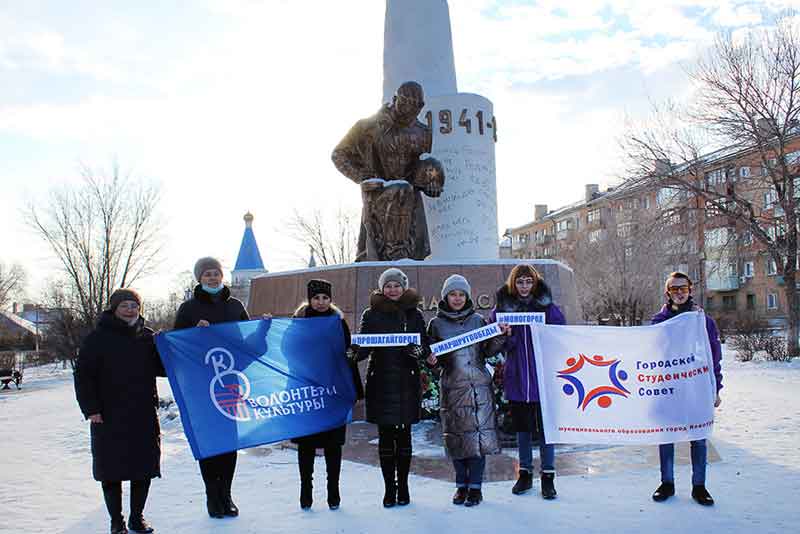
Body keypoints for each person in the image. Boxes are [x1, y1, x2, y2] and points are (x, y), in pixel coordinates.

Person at [74, 289, 165, 534]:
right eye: (124, 305)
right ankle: (116, 521)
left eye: (134, 305)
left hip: (142, 413)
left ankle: (137, 518)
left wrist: (167, 346)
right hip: (108, 414)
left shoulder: (147, 337)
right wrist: (91, 408)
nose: (130, 310)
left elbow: (163, 368)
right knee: (111, 470)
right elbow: (83, 375)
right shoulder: (98, 338)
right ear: (114, 308)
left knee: (143, 468)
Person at [331, 81, 445, 261]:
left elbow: (420, 167)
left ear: (421, 107)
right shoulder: (367, 127)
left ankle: (401, 257)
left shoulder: (423, 133)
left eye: (413, 111)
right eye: (403, 107)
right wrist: (362, 177)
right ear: (395, 99)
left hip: (409, 202)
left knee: (406, 190)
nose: (407, 115)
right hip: (378, 193)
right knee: (383, 251)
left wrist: (431, 181)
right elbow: (339, 155)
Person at [173, 257, 249, 519]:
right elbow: (177, 346)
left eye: (216, 273)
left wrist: (263, 328)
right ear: (199, 279)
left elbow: (245, 342)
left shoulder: (236, 306)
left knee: (228, 441)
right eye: (207, 275)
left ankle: (226, 495)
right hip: (201, 386)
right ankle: (211, 496)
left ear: (222, 276)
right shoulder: (188, 309)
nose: (213, 278)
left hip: (229, 383)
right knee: (208, 442)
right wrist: (194, 333)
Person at [426, 275, 510, 507]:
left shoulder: (478, 320)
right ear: (445, 297)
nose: (457, 298)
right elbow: (434, 362)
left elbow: (488, 350)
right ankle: (460, 486)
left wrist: (500, 334)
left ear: (467, 296)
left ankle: (476, 488)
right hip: (453, 388)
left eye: (461, 294)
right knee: (457, 441)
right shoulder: (435, 324)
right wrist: (431, 362)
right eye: (453, 294)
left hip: (479, 389)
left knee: (477, 440)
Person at [352, 267, 429, 507]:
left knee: (404, 438)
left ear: (403, 287)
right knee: (385, 439)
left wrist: (418, 351)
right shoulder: (371, 314)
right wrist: (351, 353)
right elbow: (364, 348)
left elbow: (423, 346)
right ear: (381, 288)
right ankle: (389, 489)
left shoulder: (414, 314)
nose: (392, 289)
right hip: (381, 382)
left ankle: (404, 487)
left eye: (396, 285)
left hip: (407, 382)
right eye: (388, 285)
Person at [491, 263, 566, 499]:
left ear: (535, 283)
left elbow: (560, 336)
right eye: (520, 282)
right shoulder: (502, 310)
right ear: (513, 284)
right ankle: (524, 474)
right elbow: (495, 345)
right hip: (517, 377)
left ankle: (548, 476)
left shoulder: (548, 308)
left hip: (543, 377)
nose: (524, 286)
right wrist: (506, 336)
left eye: (528, 282)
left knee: (545, 430)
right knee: (522, 429)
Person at [650, 271, 723, 506]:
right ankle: (667, 483)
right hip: (668, 386)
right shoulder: (659, 322)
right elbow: (649, 353)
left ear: (690, 290)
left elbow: (714, 357)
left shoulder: (703, 321)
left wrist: (716, 388)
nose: (679, 292)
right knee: (666, 436)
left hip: (695, 387)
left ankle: (699, 486)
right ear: (668, 293)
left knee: (698, 437)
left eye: (683, 288)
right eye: (674, 289)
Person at [291, 279, 363, 511]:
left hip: (333, 392)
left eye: (325, 298)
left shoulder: (337, 322)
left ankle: (334, 491)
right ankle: (305, 491)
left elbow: (347, 350)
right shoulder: (298, 322)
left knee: (333, 445)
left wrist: (352, 380)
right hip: (308, 391)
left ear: (330, 299)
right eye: (316, 298)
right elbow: (287, 350)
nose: (321, 302)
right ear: (309, 299)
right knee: (307, 445)